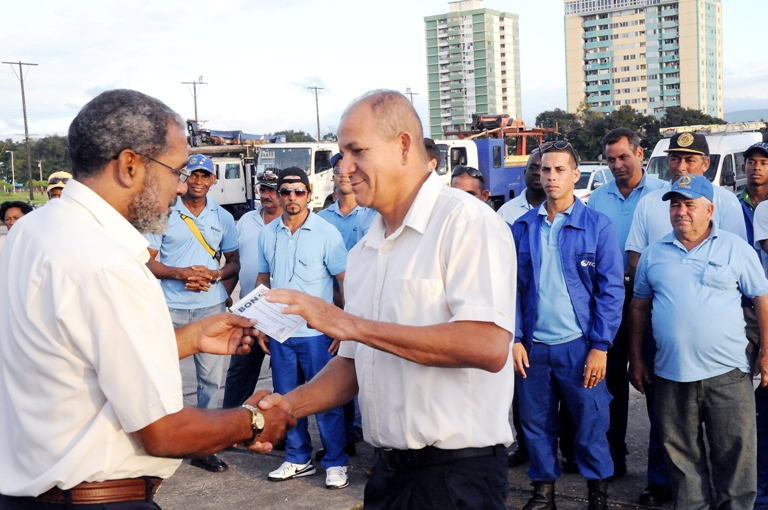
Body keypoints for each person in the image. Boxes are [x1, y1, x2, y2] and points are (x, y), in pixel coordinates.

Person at [0, 89, 295, 509]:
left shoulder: (34, 231)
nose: (180, 187)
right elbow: (163, 431)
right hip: (96, 498)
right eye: (176, 170)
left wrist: (189, 339)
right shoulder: (107, 262)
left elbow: (74, 360)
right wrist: (256, 420)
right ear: (129, 166)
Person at [256, 90, 516, 509]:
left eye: (357, 151)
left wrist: (351, 325)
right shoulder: (366, 250)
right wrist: (287, 406)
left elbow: (487, 345)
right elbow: (353, 365)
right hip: (387, 474)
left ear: (403, 146)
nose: (344, 168)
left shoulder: (465, 222)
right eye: (341, 154)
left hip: (456, 478)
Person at [629, 174, 768, 510]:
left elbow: (762, 299)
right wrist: (637, 358)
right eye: (675, 205)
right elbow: (639, 307)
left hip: (728, 375)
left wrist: (766, 351)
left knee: (735, 463)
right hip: (671, 376)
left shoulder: (735, 248)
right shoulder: (653, 254)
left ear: (709, 210)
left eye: (689, 205)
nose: (681, 212)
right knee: (683, 466)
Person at [512, 140, 624, 510]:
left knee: (591, 422)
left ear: (575, 175)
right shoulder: (523, 227)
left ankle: (597, 494)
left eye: (560, 170)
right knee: (536, 424)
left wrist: (600, 346)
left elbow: (611, 291)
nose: (551, 177)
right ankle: (543, 493)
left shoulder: (597, 226)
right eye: (545, 169)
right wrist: (515, 338)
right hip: (534, 347)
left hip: (579, 344)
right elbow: (511, 289)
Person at [145, 153, 240, 473]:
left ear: (213, 180)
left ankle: (203, 447)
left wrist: (214, 277)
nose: (198, 181)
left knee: (211, 381)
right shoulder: (164, 213)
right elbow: (147, 261)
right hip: (169, 307)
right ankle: (159, 439)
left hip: (209, 307)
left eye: (204, 176)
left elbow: (233, 263)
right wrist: (180, 273)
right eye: (193, 175)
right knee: (159, 376)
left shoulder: (223, 217)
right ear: (184, 179)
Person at [256, 167, 350, 489]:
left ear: (309, 194)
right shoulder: (268, 234)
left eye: (298, 191)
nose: (292, 197)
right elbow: (263, 280)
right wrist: (259, 324)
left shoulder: (326, 233)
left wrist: (342, 327)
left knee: (326, 400)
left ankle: (336, 462)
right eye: (286, 192)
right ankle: (298, 458)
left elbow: (343, 281)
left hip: (316, 335)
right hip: (281, 334)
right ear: (278, 195)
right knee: (286, 400)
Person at [585, 128, 666, 495]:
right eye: (611, 159)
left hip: (652, 300)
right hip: (610, 301)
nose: (617, 165)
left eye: (623, 157)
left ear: (640, 153)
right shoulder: (597, 198)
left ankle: (662, 471)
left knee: (655, 384)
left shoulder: (663, 194)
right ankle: (612, 458)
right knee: (610, 382)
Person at [317, 152, 377, 456]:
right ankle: (344, 437)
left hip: (364, 303)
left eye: (347, 169)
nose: (343, 174)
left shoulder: (371, 216)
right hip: (331, 306)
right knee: (336, 369)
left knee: (369, 370)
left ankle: (372, 436)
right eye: (337, 170)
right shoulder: (321, 219)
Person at [221, 168, 281, 411]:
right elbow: (236, 262)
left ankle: (284, 426)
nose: (266, 195)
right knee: (240, 370)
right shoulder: (246, 220)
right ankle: (229, 421)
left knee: (284, 374)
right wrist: (225, 294)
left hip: (281, 314)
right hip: (250, 312)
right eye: (262, 189)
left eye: (272, 190)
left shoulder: (290, 223)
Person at [742, 141, 768, 510]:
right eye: (752, 162)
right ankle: (758, 489)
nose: (757, 168)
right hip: (752, 307)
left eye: (764, 162)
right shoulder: (757, 208)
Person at [497, 148, 545, 224]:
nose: (537, 172)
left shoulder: (562, 210)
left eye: (544, 169)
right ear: (524, 173)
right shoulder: (505, 212)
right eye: (532, 168)